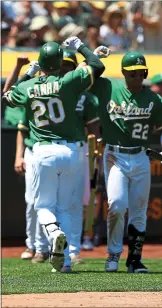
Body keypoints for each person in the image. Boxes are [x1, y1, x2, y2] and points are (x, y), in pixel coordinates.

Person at [2, 37, 105, 273]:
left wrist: (29, 72)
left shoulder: (29, 87)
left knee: (43, 206)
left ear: (40, 61)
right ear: (60, 62)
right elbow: (97, 66)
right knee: (67, 208)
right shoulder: (68, 81)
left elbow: (6, 95)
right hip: (70, 151)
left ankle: (53, 232)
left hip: (43, 150)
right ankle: (66, 261)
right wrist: (80, 46)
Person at [89, 52, 162, 273]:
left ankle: (134, 259)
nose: (138, 76)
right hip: (114, 154)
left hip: (140, 156)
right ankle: (113, 253)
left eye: (142, 72)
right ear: (125, 73)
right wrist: (88, 53)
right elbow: (87, 73)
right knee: (117, 205)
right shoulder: (108, 87)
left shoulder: (154, 99)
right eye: (134, 73)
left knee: (138, 210)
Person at [3, 56, 49, 263]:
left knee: (55, 202)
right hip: (34, 149)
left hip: (56, 148)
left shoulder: (60, 87)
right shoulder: (32, 90)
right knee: (32, 201)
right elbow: (7, 94)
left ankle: (52, 246)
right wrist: (26, 71)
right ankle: (33, 245)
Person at [59, 50, 101, 264]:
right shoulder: (48, 88)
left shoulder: (86, 97)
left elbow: (93, 129)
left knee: (75, 201)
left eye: (68, 65)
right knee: (53, 202)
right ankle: (46, 246)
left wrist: (95, 151)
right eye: (62, 64)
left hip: (78, 148)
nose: (64, 68)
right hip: (52, 146)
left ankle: (73, 248)